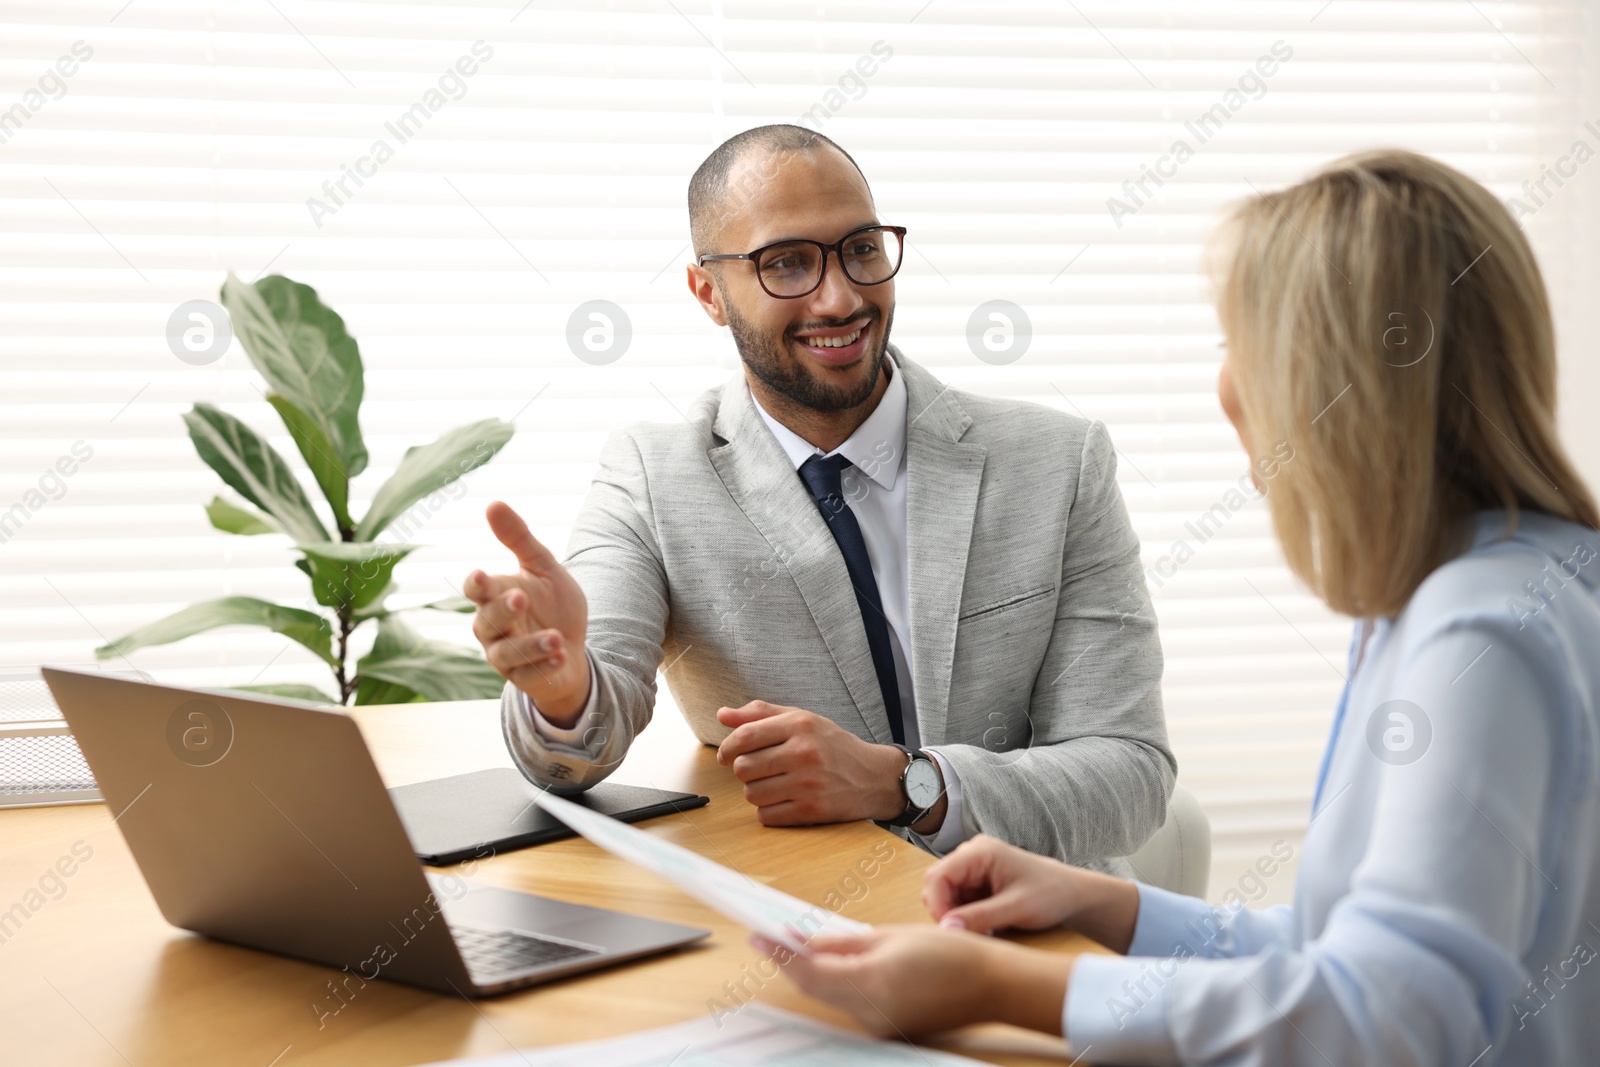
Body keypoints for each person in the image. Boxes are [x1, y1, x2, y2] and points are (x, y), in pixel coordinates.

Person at [754, 148, 1600, 1067]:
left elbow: (1385, 1021)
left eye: (1238, 344)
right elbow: (1342, 957)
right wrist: (1107, 906)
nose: (1228, 386)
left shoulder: (1478, 636)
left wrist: (995, 986)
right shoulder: (1484, 590)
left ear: (1334, 386)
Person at [462, 124, 1175, 868]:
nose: (840, 298)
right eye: (787, 264)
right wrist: (565, 687)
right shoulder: (653, 476)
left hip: (1038, 932)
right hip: (805, 936)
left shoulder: (1059, 464)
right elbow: (577, 751)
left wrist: (903, 783)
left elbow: (1131, 773)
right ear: (708, 291)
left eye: (861, 249)